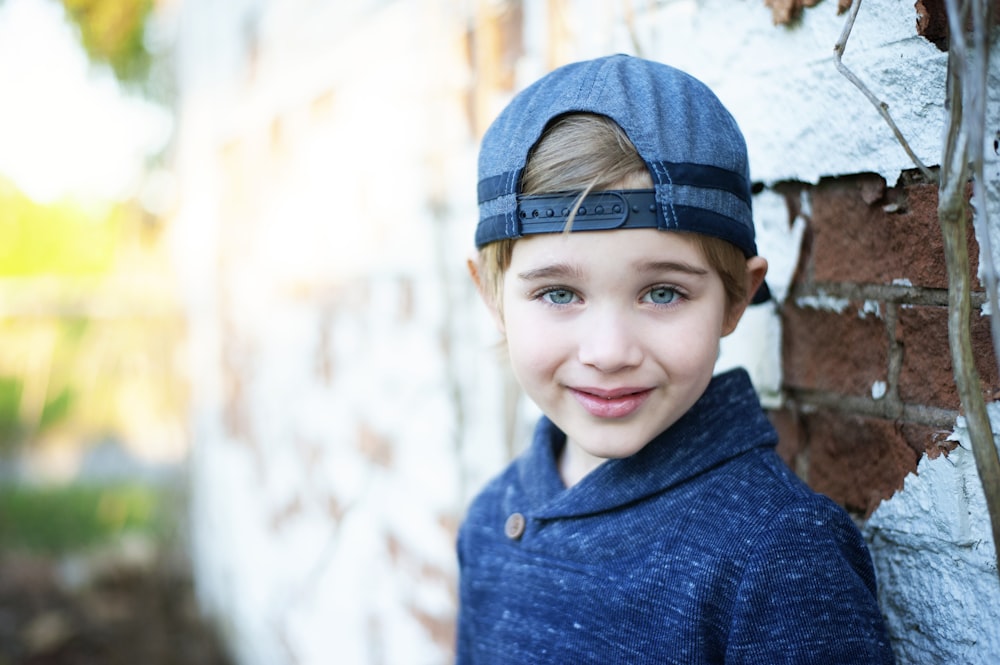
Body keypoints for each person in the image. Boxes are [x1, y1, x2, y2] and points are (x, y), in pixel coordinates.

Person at [455, 54, 895, 664]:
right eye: (559, 294)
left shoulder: (778, 553)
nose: (609, 353)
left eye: (663, 293)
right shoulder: (490, 519)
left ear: (736, 296)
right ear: (493, 297)